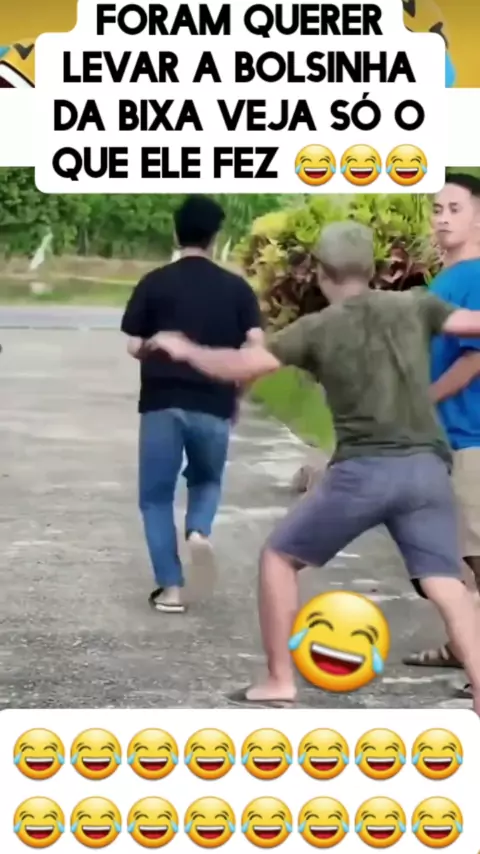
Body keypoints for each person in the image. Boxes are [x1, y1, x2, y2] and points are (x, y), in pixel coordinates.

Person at [144, 221, 480, 714]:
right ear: (373, 269)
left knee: (279, 558)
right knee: (444, 580)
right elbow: (472, 324)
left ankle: (279, 681)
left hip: (364, 472)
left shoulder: (316, 329)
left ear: (320, 273)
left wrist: (185, 348)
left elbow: (240, 366)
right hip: (427, 469)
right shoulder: (416, 305)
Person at [121, 195, 263, 614]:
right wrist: (237, 394)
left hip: (161, 402)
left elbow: (133, 345)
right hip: (214, 402)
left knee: (155, 497)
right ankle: (199, 530)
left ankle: (171, 589)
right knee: (207, 481)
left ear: (175, 232)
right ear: (215, 236)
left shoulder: (154, 282)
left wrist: (156, 346)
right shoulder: (237, 289)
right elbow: (255, 349)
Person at [402, 174, 480, 697]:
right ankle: (461, 646)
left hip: (471, 435)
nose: (442, 218)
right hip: (441, 438)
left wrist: (422, 401)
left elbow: (474, 359)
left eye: (455, 208)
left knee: (476, 555)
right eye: (437, 209)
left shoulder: (476, 276)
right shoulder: (444, 280)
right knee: (447, 555)